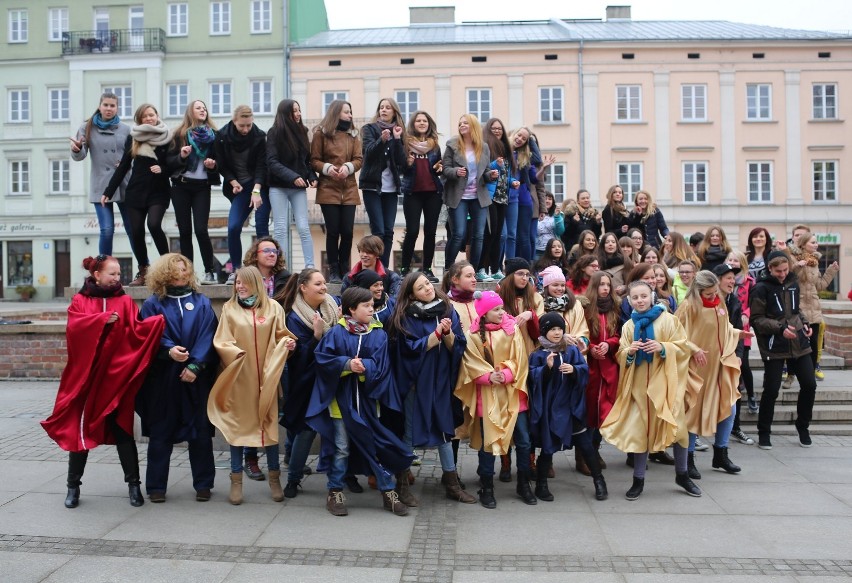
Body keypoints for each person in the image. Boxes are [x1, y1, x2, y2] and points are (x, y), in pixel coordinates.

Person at [41, 255, 165, 508]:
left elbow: (136, 330)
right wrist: (99, 321)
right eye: (112, 274)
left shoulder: (124, 300)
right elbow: (74, 330)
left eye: (119, 274)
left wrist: (155, 324)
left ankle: (133, 486)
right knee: (80, 433)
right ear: (96, 274)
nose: (117, 278)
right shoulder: (80, 300)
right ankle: (73, 487)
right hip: (87, 380)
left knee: (123, 431)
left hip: (115, 380)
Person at [307, 287, 414, 517]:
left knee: (373, 446)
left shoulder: (379, 334)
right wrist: (347, 365)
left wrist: (365, 368)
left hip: (368, 403)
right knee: (342, 449)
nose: (371, 309)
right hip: (340, 405)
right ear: (351, 309)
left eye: (371, 305)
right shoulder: (336, 333)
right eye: (366, 305)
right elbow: (323, 360)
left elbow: (383, 366)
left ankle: (388, 491)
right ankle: (334, 491)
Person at [600, 280, 699, 500]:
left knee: (677, 429)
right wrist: (630, 352)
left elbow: (683, 346)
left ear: (652, 296)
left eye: (643, 296)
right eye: (635, 298)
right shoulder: (628, 326)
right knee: (640, 432)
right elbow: (621, 355)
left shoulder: (669, 320)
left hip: (665, 387)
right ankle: (638, 480)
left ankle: (682, 475)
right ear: (629, 301)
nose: (640, 300)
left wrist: (663, 347)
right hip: (638, 388)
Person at [208, 266, 297, 505]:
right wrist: (235, 354)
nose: (239, 287)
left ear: (255, 283)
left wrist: (288, 344)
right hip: (240, 379)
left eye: (244, 283)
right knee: (238, 429)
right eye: (237, 283)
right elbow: (222, 340)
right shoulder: (229, 309)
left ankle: (275, 478)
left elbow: (282, 335)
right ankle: (236, 480)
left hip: (267, 379)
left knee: (268, 428)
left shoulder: (274, 308)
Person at [389, 272, 476, 504]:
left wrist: (447, 335)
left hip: (441, 382)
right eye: (420, 287)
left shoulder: (446, 309)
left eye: (427, 283)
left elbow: (459, 345)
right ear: (410, 294)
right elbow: (405, 350)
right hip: (416, 384)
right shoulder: (404, 316)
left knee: (444, 431)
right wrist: (434, 336)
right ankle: (402, 484)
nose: (427, 288)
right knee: (407, 433)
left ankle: (451, 483)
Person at [138, 253, 218, 502]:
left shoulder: (202, 301)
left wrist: (196, 366)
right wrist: (168, 350)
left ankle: (204, 484)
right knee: (161, 433)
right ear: (164, 273)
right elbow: (149, 332)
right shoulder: (153, 304)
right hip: (165, 377)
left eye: (185, 269)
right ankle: (156, 487)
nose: (182, 274)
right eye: (176, 270)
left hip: (196, 377)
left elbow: (209, 334)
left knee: (201, 432)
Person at [454, 291, 531, 508]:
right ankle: (486, 485)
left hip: (512, 394)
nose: (502, 312)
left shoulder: (512, 329)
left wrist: (506, 374)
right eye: (496, 309)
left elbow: (520, 358)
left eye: (501, 308)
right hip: (486, 396)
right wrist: (488, 377)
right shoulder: (472, 335)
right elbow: (470, 362)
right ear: (485, 313)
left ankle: (524, 483)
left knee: (523, 440)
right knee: (489, 441)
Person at [528, 312, 607, 501]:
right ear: (544, 332)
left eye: (560, 329)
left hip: (572, 407)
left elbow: (584, 370)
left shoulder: (571, 351)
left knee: (586, 445)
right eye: (552, 329)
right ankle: (541, 484)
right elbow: (532, 378)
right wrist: (545, 369)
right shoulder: (538, 355)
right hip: (551, 410)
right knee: (548, 447)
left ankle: (599, 481)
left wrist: (574, 370)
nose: (557, 333)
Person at [276, 268, 339, 499]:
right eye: (318, 284)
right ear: (303, 287)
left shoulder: (332, 307)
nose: (324, 287)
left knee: (303, 427)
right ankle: (293, 479)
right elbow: (300, 357)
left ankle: (295, 463)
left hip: (329, 379)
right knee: (306, 429)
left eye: (324, 283)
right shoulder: (293, 317)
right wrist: (316, 336)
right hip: (305, 382)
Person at [675, 269, 743, 480]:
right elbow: (675, 335)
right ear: (697, 291)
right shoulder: (687, 307)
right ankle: (688, 459)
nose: (714, 297)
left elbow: (724, 329)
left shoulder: (720, 304)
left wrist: (739, 333)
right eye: (709, 294)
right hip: (697, 369)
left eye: (715, 293)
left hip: (719, 366)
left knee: (729, 408)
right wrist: (694, 349)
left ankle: (720, 454)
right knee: (693, 413)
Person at [750, 250, 817, 449]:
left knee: (810, 384)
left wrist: (804, 323)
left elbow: (796, 311)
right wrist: (779, 329)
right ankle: (764, 432)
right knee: (771, 390)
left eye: (785, 270)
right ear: (769, 268)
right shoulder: (761, 288)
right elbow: (757, 320)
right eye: (778, 271)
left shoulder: (793, 282)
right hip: (774, 345)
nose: (782, 274)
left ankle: (803, 427)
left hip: (798, 342)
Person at [239, 236, 291, 480]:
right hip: (252, 350)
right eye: (267, 250)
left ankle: (290, 454)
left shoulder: (286, 279)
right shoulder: (245, 278)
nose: (272, 254)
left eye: (275, 250)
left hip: (279, 348)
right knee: (252, 407)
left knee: (285, 404)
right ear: (255, 254)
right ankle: (250, 458)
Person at [102, 103, 172, 286]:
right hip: (136, 192)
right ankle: (143, 270)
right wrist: (108, 191)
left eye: (151, 114)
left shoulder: (167, 136)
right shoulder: (134, 138)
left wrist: (163, 169)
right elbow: (124, 166)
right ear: (140, 120)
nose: (149, 118)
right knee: (136, 231)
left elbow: (176, 163)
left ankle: (169, 267)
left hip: (159, 191)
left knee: (154, 225)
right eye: (145, 116)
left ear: (157, 115)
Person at [70, 92, 135, 259]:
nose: (109, 108)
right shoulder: (86, 127)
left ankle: (144, 267)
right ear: (100, 106)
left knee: (133, 228)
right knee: (106, 229)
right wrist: (76, 149)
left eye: (112, 105)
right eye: (105, 105)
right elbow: (80, 155)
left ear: (117, 108)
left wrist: (125, 164)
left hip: (123, 183)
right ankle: (104, 267)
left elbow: (134, 156)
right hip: (101, 185)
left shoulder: (126, 129)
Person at [215, 105, 271, 284]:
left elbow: (262, 166)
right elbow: (221, 164)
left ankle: (265, 273)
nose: (246, 129)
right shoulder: (222, 136)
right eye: (242, 126)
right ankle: (236, 270)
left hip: (259, 186)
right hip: (238, 187)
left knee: (262, 229)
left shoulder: (260, 136)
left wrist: (256, 191)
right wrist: (233, 181)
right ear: (234, 122)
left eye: (249, 125)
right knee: (233, 227)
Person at [167, 100, 220, 283]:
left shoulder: (214, 135)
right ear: (190, 111)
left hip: (202, 187)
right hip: (181, 186)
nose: (203, 110)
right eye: (198, 108)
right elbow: (169, 163)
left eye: (204, 108)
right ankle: (188, 274)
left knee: (201, 230)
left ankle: (209, 271)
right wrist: (181, 156)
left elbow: (221, 162)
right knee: (185, 231)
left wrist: (213, 166)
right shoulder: (180, 134)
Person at [311, 100, 363, 283]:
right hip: (328, 188)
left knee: (347, 231)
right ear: (336, 113)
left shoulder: (353, 135)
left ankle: (345, 268)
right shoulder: (321, 134)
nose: (350, 115)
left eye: (350, 111)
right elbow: (314, 159)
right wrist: (327, 168)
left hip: (348, 188)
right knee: (333, 231)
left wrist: (348, 167)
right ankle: (334, 270)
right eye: (346, 112)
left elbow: (358, 159)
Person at [266, 99, 317, 273]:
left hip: (298, 188)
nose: (298, 114)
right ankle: (281, 267)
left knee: (303, 226)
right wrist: (293, 176)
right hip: (278, 186)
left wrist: (312, 177)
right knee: (280, 228)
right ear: (285, 113)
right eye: (294, 111)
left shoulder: (303, 131)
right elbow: (272, 162)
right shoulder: (274, 133)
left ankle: (310, 266)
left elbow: (306, 160)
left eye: (299, 110)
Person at [442, 114, 494, 276]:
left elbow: (484, 172)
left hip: (479, 197)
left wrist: (490, 175)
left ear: (473, 126)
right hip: (459, 197)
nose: (462, 125)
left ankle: (475, 270)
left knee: (479, 235)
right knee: (459, 234)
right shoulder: (452, 145)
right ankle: (449, 269)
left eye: (465, 123)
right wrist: (456, 171)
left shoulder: (483, 147)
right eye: (460, 123)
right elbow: (445, 169)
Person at [582, 271, 621, 474]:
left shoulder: (615, 308)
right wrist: (592, 348)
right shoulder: (587, 309)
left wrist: (608, 343)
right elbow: (583, 334)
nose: (605, 288)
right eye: (601, 285)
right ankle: (585, 456)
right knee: (590, 412)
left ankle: (594, 450)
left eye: (608, 284)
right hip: (591, 367)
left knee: (604, 414)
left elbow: (618, 335)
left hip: (609, 367)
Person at [360, 98, 407, 268]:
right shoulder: (369, 129)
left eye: (388, 108)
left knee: (388, 231)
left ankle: (384, 269)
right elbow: (368, 154)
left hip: (391, 189)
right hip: (372, 186)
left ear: (394, 112)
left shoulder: (398, 131)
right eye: (381, 107)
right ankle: (376, 268)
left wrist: (396, 139)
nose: (384, 110)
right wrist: (382, 140)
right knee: (378, 231)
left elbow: (401, 162)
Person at [789, 230, 839, 382]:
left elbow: (820, 285)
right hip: (798, 309)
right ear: (803, 244)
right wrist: (797, 266)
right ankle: (790, 375)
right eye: (813, 242)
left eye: (816, 242)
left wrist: (831, 271)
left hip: (814, 310)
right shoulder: (792, 258)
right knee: (795, 344)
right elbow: (788, 279)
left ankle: (809, 377)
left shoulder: (814, 262)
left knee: (813, 345)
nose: (816, 245)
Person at [400, 110, 443, 282]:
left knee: (430, 232)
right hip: (412, 192)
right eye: (418, 120)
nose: (422, 123)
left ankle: (427, 269)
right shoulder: (405, 144)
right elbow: (401, 169)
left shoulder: (435, 145)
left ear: (429, 124)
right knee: (412, 231)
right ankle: (404, 269)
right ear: (413, 124)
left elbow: (437, 168)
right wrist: (408, 163)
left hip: (433, 193)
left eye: (425, 120)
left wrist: (439, 169)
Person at [481, 117, 512, 280]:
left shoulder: (506, 150)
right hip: (490, 197)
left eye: (500, 128)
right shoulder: (486, 148)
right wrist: (494, 165)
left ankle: (496, 268)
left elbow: (506, 175)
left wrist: (512, 182)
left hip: (503, 197)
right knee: (490, 234)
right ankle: (482, 268)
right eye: (494, 128)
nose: (497, 130)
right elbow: (484, 171)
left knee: (499, 234)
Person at [598, 232, 630, 297]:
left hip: (621, 298)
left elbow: (632, 282)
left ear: (616, 244)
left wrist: (624, 287)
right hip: (603, 299)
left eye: (613, 242)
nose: (610, 244)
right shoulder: (597, 262)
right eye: (607, 242)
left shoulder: (625, 260)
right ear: (603, 245)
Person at [535, 192, 565, 260]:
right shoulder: (534, 214)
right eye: (545, 199)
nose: (547, 201)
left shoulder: (558, 214)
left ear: (553, 201)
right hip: (537, 250)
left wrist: (557, 217)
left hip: (553, 250)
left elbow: (560, 231)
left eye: (550, 199)